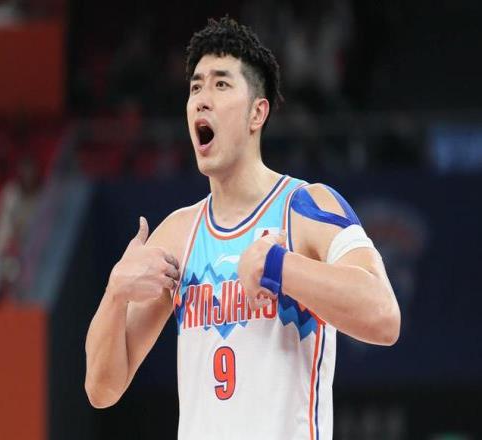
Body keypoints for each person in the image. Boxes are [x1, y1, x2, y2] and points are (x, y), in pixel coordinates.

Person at [84, 16, 400, 440]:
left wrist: (280, 267)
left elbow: (384, 316)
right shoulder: (178, 234)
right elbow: (102, 389)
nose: (202, 100)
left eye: (220, 84)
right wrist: (115, 293)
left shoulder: (306, 207)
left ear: (257, 112)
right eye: (195, 87)